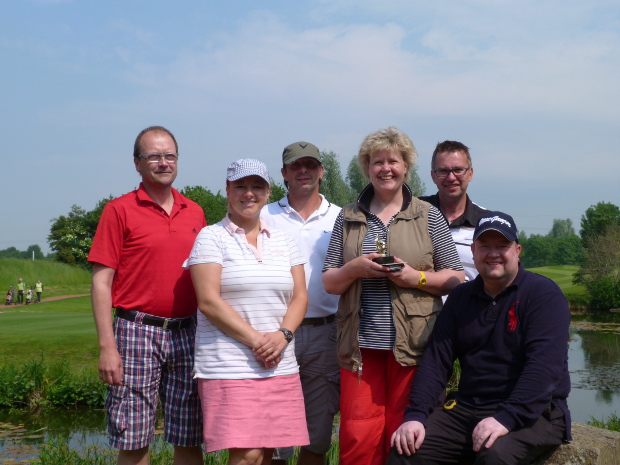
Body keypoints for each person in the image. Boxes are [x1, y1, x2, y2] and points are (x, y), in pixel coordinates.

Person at [322, 127, 465, 465]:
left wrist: (415, 277)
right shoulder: (348, 215)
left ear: (406, 167)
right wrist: (354, 268)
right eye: (377, 162)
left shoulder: (428, 215)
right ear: (366, 168)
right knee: (358, 436)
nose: (385, 168)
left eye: (393, 161)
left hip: (415, 345)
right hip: (360, 346)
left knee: (406, 436)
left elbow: (457, 277)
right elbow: (329, 281)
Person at [388, 211, 571, 465]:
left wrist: (506, 417)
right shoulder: (461, 297)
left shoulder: (543, 295)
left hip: (535, 412)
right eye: (485, 246)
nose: (493, 253)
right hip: (467, 408)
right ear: (473, 252)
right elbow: (436, 361)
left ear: (517, 250)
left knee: (493, 455)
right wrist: (416, 415)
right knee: (405, 452)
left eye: (502, 246)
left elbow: (543, 369)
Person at [88, 126, 206, 465]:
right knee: (134, 438)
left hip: (188, 332)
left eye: (169, 155)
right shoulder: (119, 210)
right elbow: (100, 282)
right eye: (153, 156)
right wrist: (107, 347)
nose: (163, 162)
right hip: (136, 332)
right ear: (137, 163)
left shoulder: (195, 212)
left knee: (189, 435)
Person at [187, 158, 310, 465]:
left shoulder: (284, 240)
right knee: (247, 455)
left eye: (257, 186)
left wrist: (282, 337)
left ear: (268, 192)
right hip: (229, 365)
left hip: (279, 364)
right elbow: (209, 301)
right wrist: (259, 342)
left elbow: (300, 297)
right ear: (228, 190)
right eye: (240, 186)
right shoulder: (210, 237)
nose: (249, 193)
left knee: (266, 454)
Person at [262, 142, 341, 465]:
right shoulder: (264, 215)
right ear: (284, 173)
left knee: (317, 436)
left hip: (326, 333)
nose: (303, 170)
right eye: (296, 166)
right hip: (275, 336)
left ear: (322, 171)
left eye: (310, 164)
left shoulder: (341, 217)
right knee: (272, 438)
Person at [420, 141, 487, 283]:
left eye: (458, 170)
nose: (451, 178)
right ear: (433, 176)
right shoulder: (413, 213)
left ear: (470, 174)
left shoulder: (486, 222)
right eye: (443, 171)